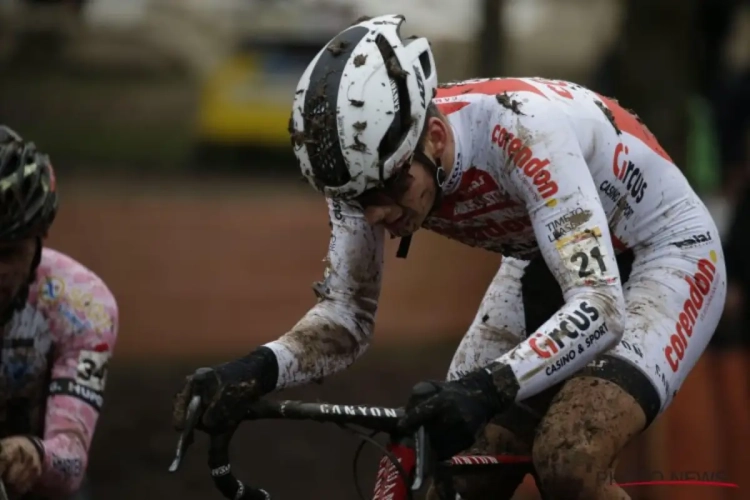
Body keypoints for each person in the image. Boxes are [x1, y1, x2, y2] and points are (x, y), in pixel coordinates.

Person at [172, 14, 727, 499]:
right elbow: (347, 319)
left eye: (388, 191)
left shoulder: (522, 131)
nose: (375, 216)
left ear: (434, 137)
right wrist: (255, 371)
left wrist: (488, 388)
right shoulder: (365, 169)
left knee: (569, 460)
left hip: (664, 257)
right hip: (544, 256)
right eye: (355, 201)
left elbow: (600, 305)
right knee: (441, 468)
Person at [0, 125, 118, 499]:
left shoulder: (82, 306)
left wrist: (35, 453)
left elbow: (71, 461)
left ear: (39, 242)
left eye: (10, 252)